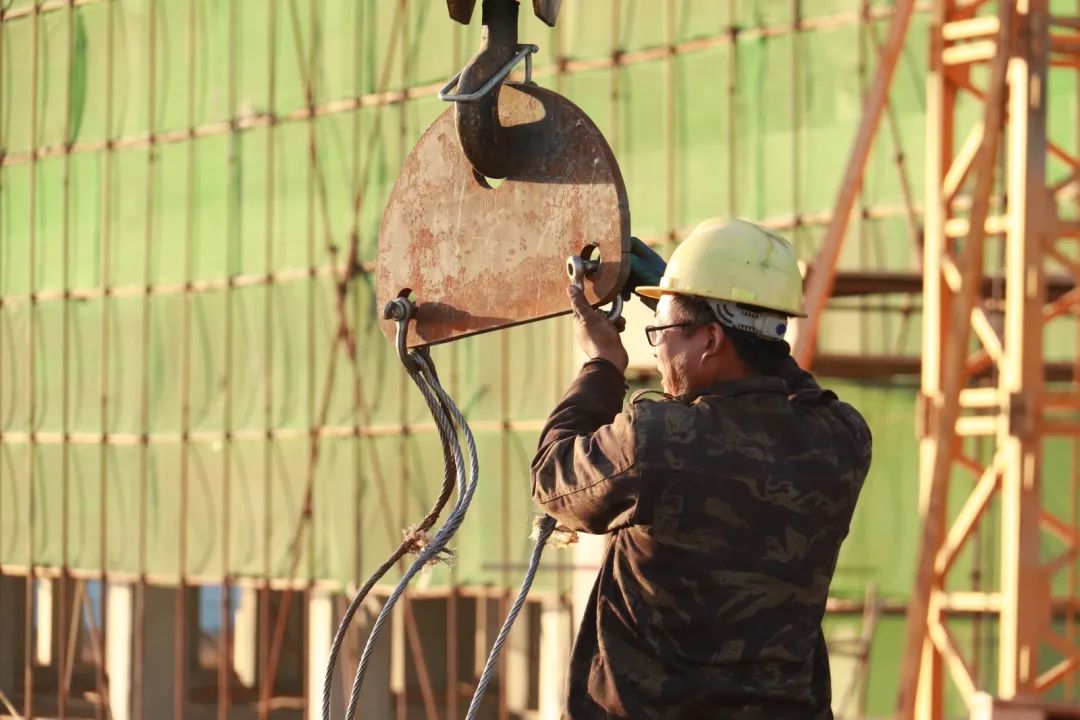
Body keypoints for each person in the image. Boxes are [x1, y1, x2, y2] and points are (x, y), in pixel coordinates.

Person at [530, 217, 873, 719]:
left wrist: (602, 365)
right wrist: (695, 307)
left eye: (661, 332)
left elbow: (552, 476)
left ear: (711, 341)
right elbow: (785, 375)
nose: (658, 349)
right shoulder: (841, 440)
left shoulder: (658, 440)